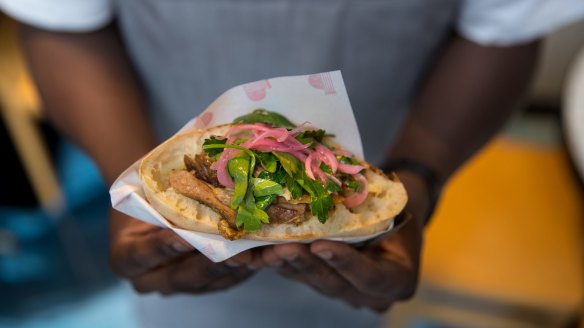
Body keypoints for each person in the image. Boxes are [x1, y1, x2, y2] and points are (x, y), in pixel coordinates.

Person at [2, 0, 583, 327]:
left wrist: (419, 182)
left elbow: (504, 27)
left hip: (378, 177)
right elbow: (62, 22)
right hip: (154, 161)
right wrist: (132, 185)